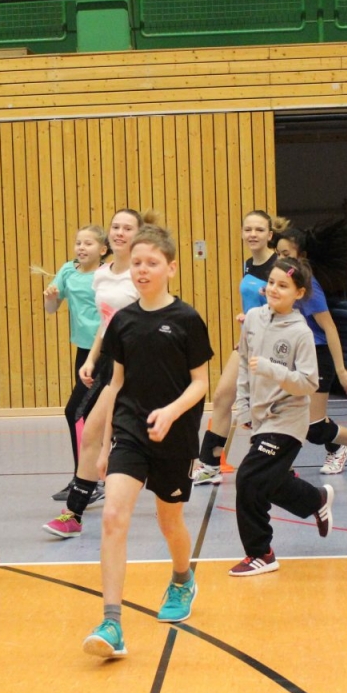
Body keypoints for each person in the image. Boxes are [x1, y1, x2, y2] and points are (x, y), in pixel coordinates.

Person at [82, 224, 213, 658]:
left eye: (151, 263)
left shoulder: (187, 320)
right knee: (113, 517)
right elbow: (115, 384)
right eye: (136, 262)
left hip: (175, 436)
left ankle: (181, 579)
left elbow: (200, 384)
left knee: (168, 522)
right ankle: (112, 623)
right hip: (131, 433)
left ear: (171, 268)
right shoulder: (123, 321)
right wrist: (104, 446)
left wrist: (172, 412)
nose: (142, 269)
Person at [43, 209, 150, 538]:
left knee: (141, 433)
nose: (119, 232)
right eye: (115, 226)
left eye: (127, 228)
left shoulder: (142, 274)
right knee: (90, 430)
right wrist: (91, 359)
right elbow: (106, 323)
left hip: (139, 362)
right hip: (107, 361)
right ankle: (74, 511)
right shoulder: (102, 276)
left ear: (138, 235)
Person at [228, 257, 335, 576]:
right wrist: (244, 405)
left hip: (288, 420)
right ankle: (314, 500)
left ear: (299, 293)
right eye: (271, 282)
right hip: (260, 416)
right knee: (266, 481)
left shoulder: (301, 332)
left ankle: (261, 552)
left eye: (283, 285)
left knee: (248, 477)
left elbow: (309, 382)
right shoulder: (253, 319)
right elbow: (246, 364)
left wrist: (274, 370)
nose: (274, 289)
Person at [273, 222, 347, 476]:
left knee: (313, 426)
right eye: (278, 254)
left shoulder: (309, 287)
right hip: (295, 357)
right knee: (285, 414)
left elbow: (329, 328)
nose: (281, 259)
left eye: (286, 254)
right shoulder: (281, 283)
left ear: (301, 256)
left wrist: (342, 370)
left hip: (317, 357)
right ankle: (289, 465)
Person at [192, 210, 277, 486]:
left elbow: (292, 305)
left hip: (274, 344)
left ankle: (292, 463)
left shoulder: (281, 265)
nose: (253, 234)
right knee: (221, 396)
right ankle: (209, 463)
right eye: (248, 229)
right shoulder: (248, 265)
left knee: (274, 410)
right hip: (246, 341)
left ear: (270, 235)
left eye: (259, 230)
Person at [44, 224, 108, 497]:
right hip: (83, 352)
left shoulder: (106, 275)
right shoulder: (67, 270)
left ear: (103, 250)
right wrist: (50, 297)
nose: (81, 248)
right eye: (78, 242)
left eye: (89, 243)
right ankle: (93, 479)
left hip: (104, 351)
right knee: (94, 415)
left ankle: (84, 480)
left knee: (76, 412)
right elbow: (51, 309)